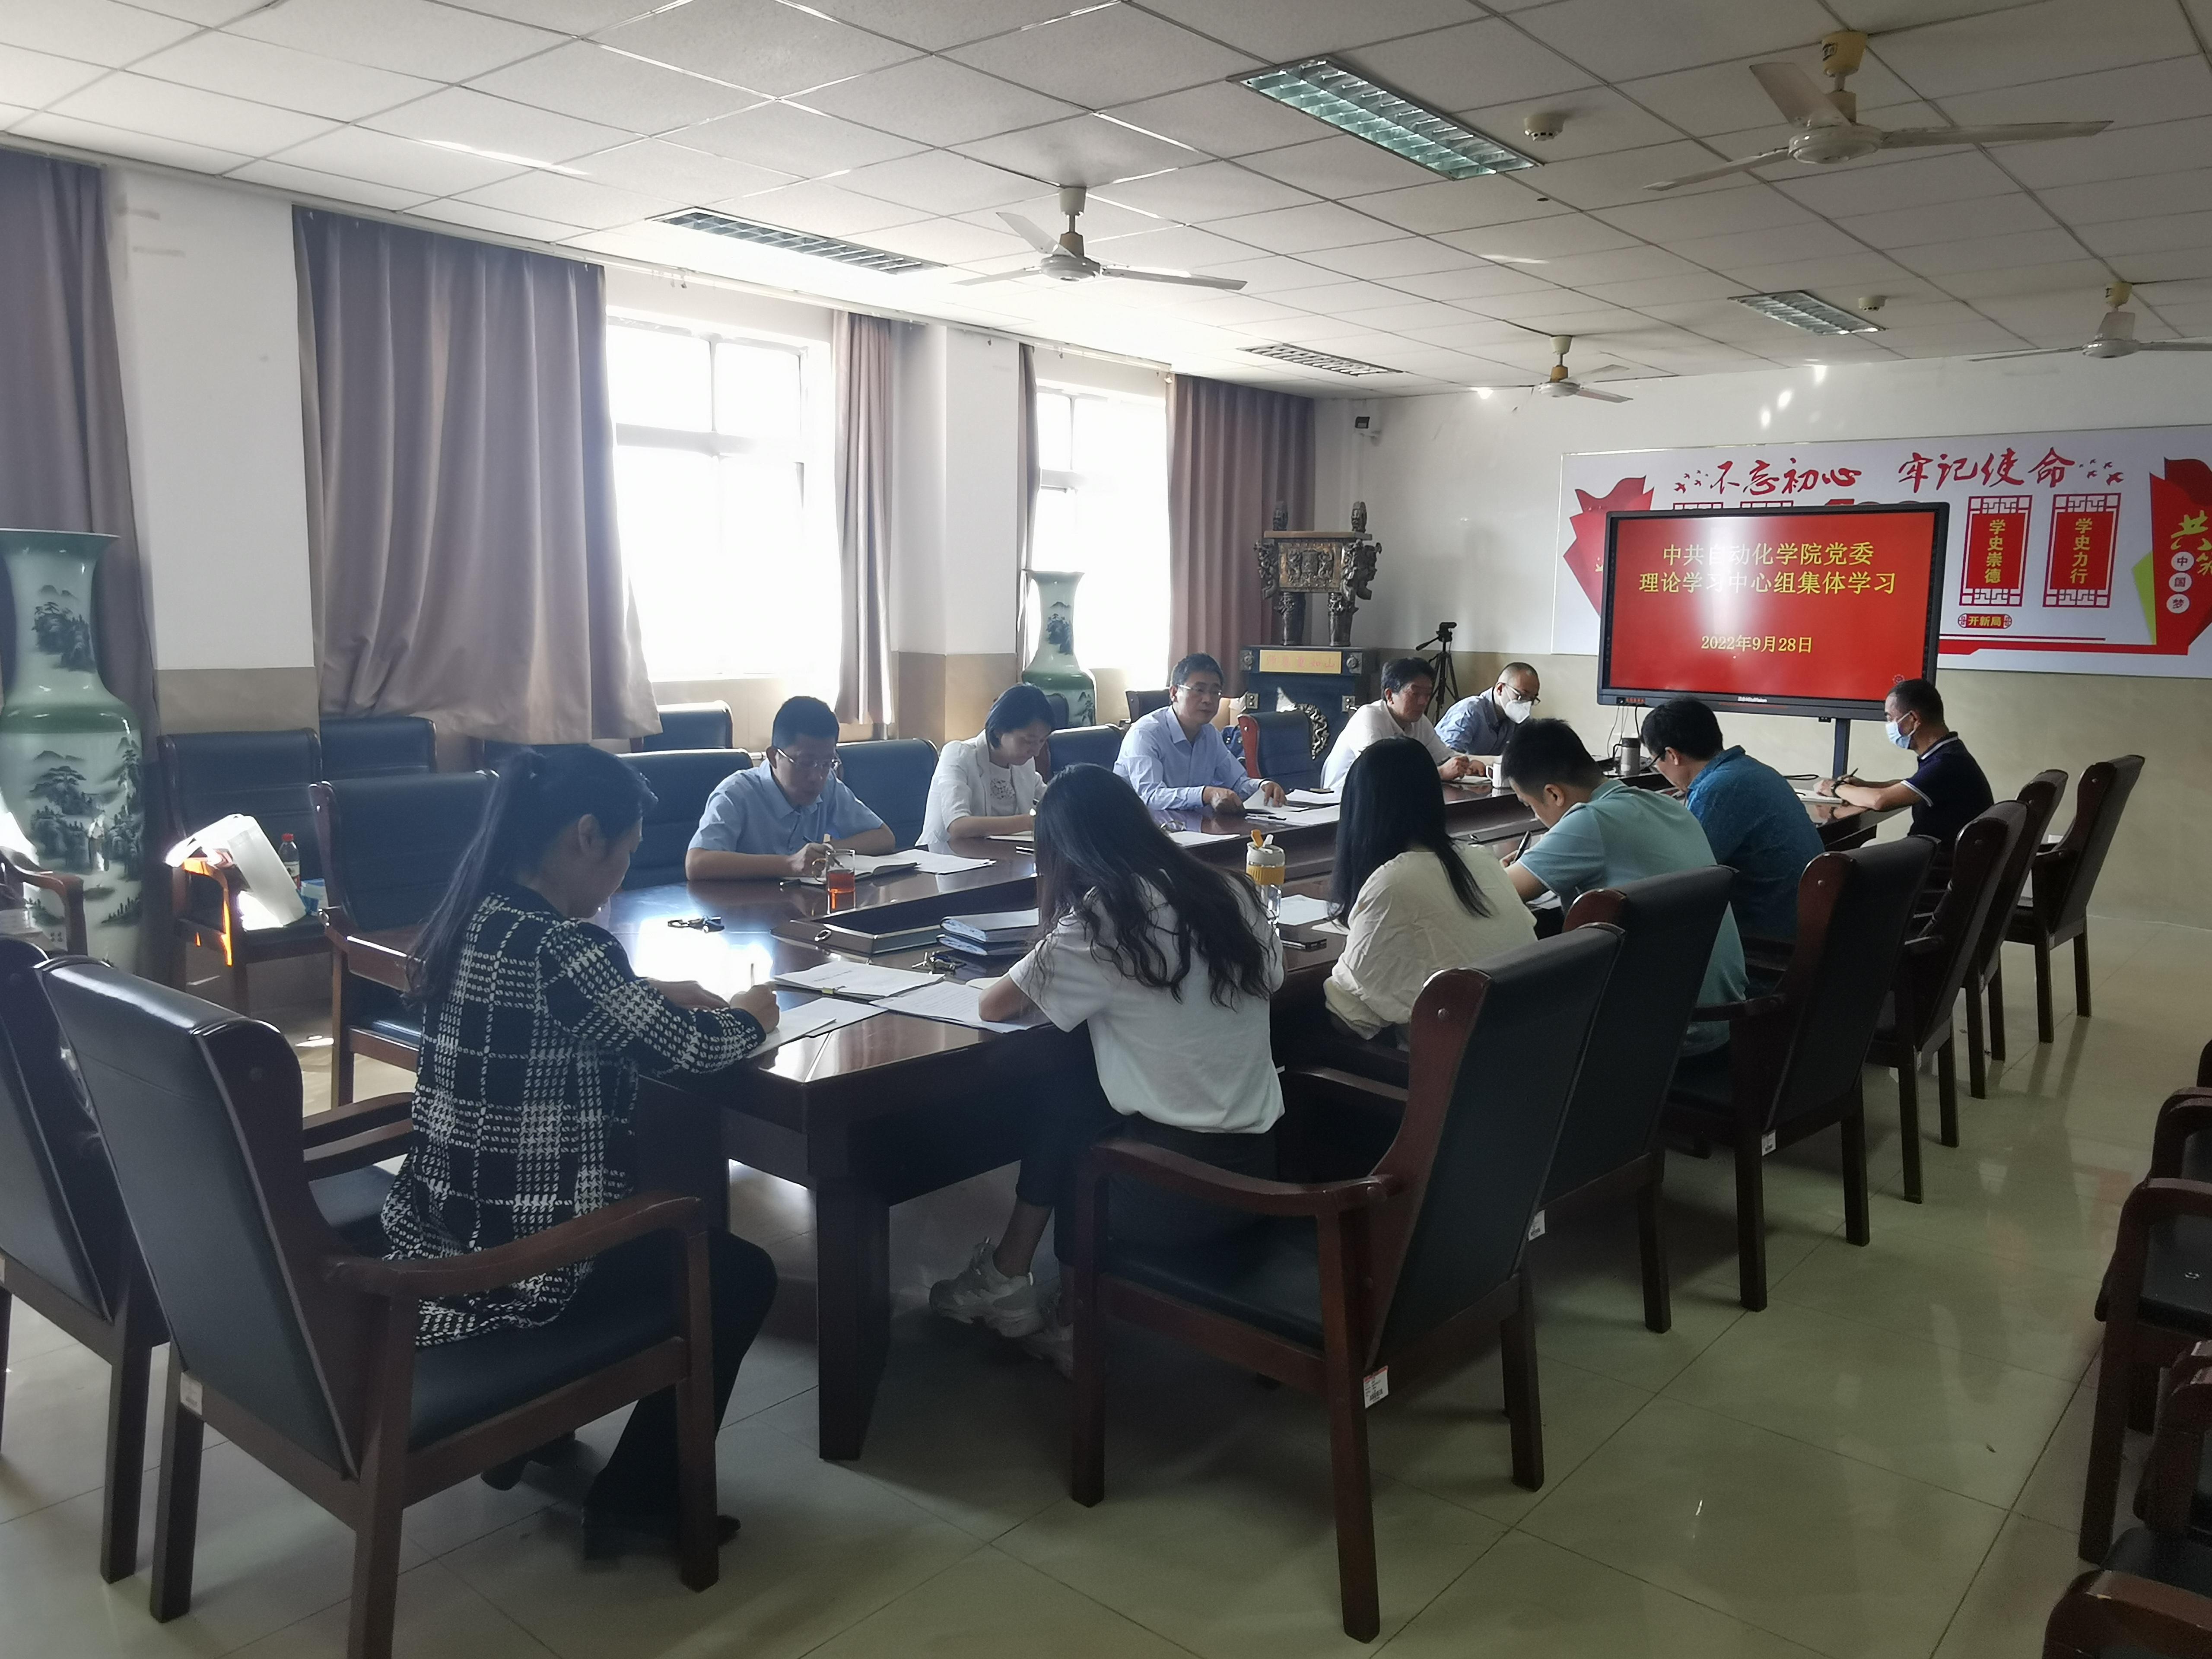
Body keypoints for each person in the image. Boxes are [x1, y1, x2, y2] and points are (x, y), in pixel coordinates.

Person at [386, 747, 782, 1558]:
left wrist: (646, 993)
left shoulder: (473, 919)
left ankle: (535, 1436)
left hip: (442, 1224)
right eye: (626, 852)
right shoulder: (563, 950)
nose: (621, 873)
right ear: (587, 835)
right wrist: (753, 1014)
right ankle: (640, 1498)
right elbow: (692, 1051)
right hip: (527, 1262)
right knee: (739, 1273)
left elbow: (566, 1009)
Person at [927, 764, 1283, 1375]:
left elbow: (993, 1006)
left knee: (1069, 1114)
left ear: (1065, 852)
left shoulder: (1105, 919)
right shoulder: (1233, 892)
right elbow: (1273, 977)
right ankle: (1014, 1280)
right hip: (1258, 1168)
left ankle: (1068, 1319)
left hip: (1167, 1195)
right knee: (1074, 1090)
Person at [1501, 719, 1745, 1053]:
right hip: (1724, 1019)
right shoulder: (1663, 803)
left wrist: (1499, 870)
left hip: (1665, 1040)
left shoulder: (1590, 821)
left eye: (1529, 805)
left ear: (1553, 794)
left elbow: (1499, 893)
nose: (1535, 816)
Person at [1325, 738, 1534, 1042]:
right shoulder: (1480, 859)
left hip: (1455, 1065)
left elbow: (1350, 1018)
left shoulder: (1393, 883)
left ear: (1361, 810)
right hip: (1520, 1051)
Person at [1642, 696, 1824, 943]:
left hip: (1767, 939)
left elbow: (1685, 876)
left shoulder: (1716, 790)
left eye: (1654, 762)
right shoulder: (1753, 770)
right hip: (1803, 925)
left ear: (1672, 755)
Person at [685, 695, 896, 880]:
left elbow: (883, 837)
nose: (816, 777)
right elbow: (696, 864)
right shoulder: (736, 793)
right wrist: (789, 864)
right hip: (742, 909)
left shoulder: (828, 785)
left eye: (827, 763)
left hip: (801, 906)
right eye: (805, 763)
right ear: (773, 757)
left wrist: (827, 851)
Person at [1819, 677, 1993, 852]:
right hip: (1934, 852)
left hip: (1935, 861)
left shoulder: (1946, 763)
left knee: (1843, 861)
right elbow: (1908, 786)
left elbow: (1880, 801)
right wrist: (1865, 785)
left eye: (1890, 718)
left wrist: (1835, 788)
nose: (1889, 726)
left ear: (1913, 719)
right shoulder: (1949, 751)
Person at [1115, 652, 1286, 813]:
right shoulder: (1146, 734)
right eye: (1199, 690)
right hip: (1136, 826)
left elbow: (1237, 783)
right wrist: (1206, 794)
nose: (1208, 700)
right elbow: (1151, 797)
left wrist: (1261, 787)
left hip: (1189, 827)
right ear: (1174, 693)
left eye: (1215, 692)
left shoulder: (1210, 734)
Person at [920, 683, 1054, 850]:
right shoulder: (958, 755)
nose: (1036, 751)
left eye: (1042, 741)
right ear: (999, 731)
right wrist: (1030, 822)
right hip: (942, 858)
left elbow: (1052, 800)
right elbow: (958, 826)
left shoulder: (1024, 763)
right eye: (1028, 741)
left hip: (999, 858)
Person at [1322, 656, 1478, 790]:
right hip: (1342, 801)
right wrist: (1440, 773)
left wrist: (1468, 764)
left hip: (1387, 798)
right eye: (1415, 693)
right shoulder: (1369, 717)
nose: (1424, 702)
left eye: (1428, 694)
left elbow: (1444, 757)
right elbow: (1380, 773)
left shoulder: (1419, 721)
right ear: (1390, 695)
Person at [1435, 661, 1541, 761]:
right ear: (1500, 689)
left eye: (1532, 699)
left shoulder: (1518, 719)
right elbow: (1447, 758)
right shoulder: (1470, 711)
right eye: (1522, 696)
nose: (1527, 703)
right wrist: (1494, 761)